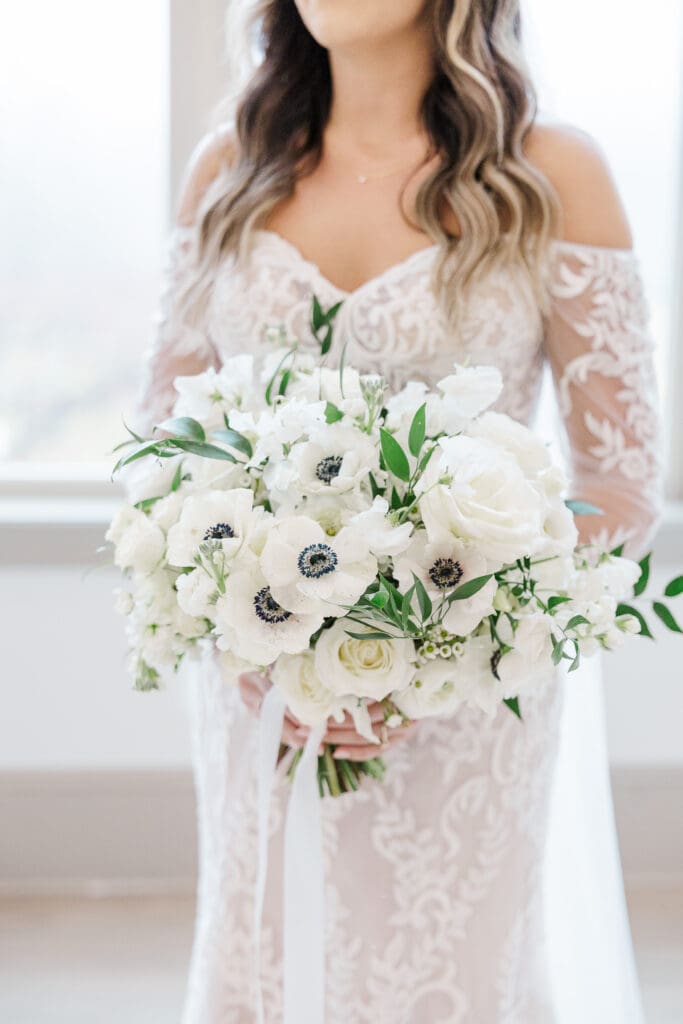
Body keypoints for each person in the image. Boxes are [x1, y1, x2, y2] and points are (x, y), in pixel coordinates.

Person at [133, 1, 663, 1020]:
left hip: (468, 707)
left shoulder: (552, 174)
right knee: (264, 967)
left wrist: (430, 646)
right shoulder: (229, 168)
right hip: (260, 696)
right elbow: (163, 445)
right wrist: (253, 648)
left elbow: (619, 482)